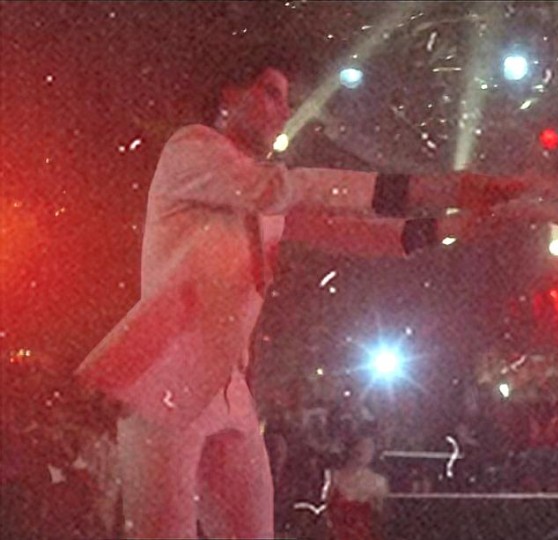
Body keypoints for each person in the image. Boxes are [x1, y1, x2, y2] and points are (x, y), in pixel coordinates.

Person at [73, 56, 516, 538]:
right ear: (229, 95)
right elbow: (286, 190)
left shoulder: (259, 191)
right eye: (271, 93)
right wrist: (425, 189)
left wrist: (454, 225)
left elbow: (351, 231)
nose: (285, 112)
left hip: (229, 388)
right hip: (166, 383)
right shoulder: (192, 148)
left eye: (286, 101)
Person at [326, 433, 389, 540]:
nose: (365, 451)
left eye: (369, 447)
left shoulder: (379, 483)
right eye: (362, 445)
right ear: (352, 448)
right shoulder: (333, 477)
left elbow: (382, 521)